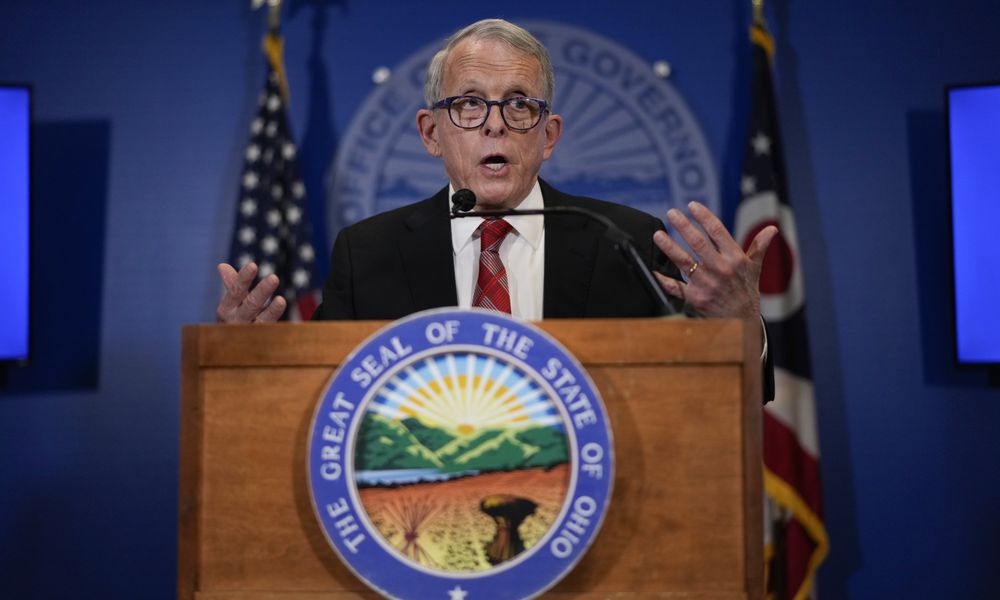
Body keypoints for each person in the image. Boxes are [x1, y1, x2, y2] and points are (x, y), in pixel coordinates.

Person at [216, 19, 776, 398]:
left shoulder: (622, 241)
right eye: (468, 103)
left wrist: (739, 328)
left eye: (518, 104)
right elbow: (325, 402)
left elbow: (695, 398)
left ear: (548, 135)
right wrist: (247, 365)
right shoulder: (367, 254)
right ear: (430, 132)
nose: (494, 122)